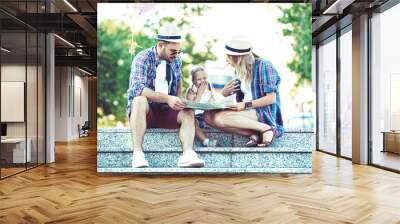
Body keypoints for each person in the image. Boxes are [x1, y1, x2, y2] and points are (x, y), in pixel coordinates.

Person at [126, 24, 205, 168]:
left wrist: (179, 99)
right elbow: (138, 89)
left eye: (179, 51)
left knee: (187, 111)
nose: (176, 55)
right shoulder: (143, 58)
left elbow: (179, 80)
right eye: (173, 51)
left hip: (167, 112)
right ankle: (137, 154)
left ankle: (187, 154)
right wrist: (168, 98)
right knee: (138, 100)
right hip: (146, 112)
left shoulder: (176, 60)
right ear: (160, 45)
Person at [204, 36, 284, 147]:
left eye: (229, 58)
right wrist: (224, 93)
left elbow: (271, 99)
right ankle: (254, 133)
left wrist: (245, 105)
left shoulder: (264, 65)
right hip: (246, 110)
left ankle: (266, 129)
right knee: (208, 116)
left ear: (238, 58)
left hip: (263, 112)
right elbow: (238, 97)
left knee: (222, 118)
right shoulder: (239, 71)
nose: (227, 62)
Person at [186, 66, 218, 147]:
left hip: (206, 116)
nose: (202, 81)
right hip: (196, 116)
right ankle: (206, 141)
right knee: (193, 121)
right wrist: (199, 93)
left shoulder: (209, 89)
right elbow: (191, 107)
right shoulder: (191, 91)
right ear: (193, 81)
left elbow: (212, 103)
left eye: (204, 78)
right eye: (199, 79)